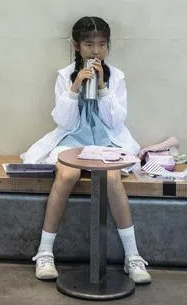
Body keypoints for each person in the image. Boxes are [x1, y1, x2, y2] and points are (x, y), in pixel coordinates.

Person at [20, 16, 152, 285]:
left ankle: (133, 256)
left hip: (106, 141)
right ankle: (45, 252)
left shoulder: (117, 76)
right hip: (73, 139)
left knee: (112, 178)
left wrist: (102, 87)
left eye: (102, 44)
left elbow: (116, 121)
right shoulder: (64, 75)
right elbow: (64, 122)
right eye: (89, 44)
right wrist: (75, 86)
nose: (96, 51)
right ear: (76, 46)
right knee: (66, 176)